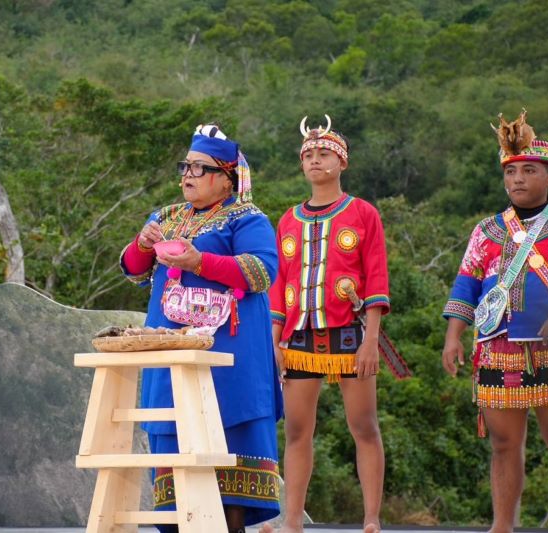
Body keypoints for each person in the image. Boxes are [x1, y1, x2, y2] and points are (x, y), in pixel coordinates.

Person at [120, 124, 283, 533]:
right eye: (185, 166)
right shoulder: (167, 217)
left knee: (228, 452)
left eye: (199, 167)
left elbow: (262, 271)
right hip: (171, 351)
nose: (187, 175)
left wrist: (200, 263)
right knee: (174, 440)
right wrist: (142, 244)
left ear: (226, 178)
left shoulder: (247, 219)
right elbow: (133, 270)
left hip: (228, 354)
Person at [442, 111, 548, 533]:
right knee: (503, 443)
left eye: (529, 170)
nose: (518, 179)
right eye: (511, 171)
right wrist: (453, 337)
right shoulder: (486, 231)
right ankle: (501, 527)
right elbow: (466, 284)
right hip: (496, 343)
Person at [264, 115, 389, 533]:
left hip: (350, 333)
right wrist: (274, 343)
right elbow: (280, 285)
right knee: (298, 430)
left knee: (364, 426)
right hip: (299, 336)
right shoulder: (288, 220)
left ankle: (371, 518)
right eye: (309, 155)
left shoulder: (363, 213)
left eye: (325, 154)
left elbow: (376, 277)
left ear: (343, 162)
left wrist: (371, 340)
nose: (316, 161)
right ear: (302, 166)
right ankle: (293, 519)